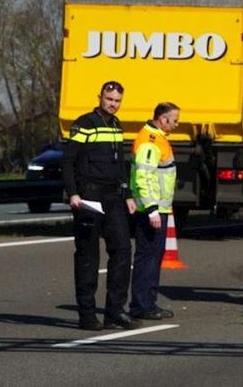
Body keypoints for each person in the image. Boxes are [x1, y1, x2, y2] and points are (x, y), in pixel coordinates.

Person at [63, 80, 140, 331]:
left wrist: (128, 194)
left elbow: (120, 164)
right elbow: (68, 161)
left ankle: (115, 311)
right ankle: (87, 314)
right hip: (89, 196)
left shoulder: (116, 125)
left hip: (113, 196)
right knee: (88, 255)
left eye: (117, 101)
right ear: (100, 97)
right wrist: (73, 193)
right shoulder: (84, 124)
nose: (113, 104)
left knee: (122, 250)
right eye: (109, 100)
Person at [129, 102, 181, 320]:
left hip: (158, 208)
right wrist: (151, 209)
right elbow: (145, 176)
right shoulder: (150, 142)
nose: (177, 124)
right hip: (152, 209)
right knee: (148, 257)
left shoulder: (156, 138)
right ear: (163, 119)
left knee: (152, 257)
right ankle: (143, 305)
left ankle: (147, 303)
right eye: (174, 119)